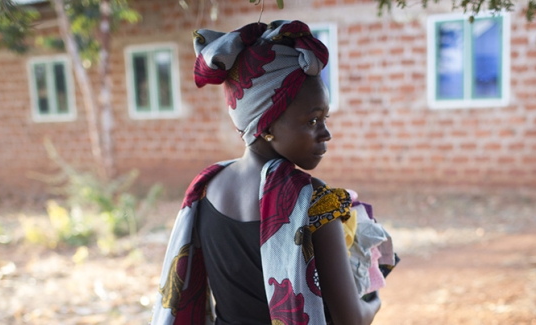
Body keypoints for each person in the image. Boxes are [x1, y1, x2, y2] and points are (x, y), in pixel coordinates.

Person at [151, 20, 382, 325]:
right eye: (312, 121)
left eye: (325, 118)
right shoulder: (312, 201)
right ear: (267, 124)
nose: (326, 133)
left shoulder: (207, 187)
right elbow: (349, 319)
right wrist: (373, 301)